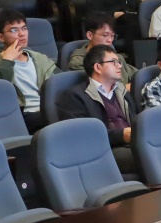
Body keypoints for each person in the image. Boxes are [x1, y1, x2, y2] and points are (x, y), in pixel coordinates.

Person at [56, 44, 137, 172]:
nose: (119, 66)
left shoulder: (122, 92)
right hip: (104, 152)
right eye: (114, 62)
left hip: (133, 144)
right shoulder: (74, 96)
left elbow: (136, 119)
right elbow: (82, 136)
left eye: (119, 62)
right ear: (98, 67)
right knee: (150, 155)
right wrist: (121, 135)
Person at [0, 10, 59, 131]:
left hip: (48, 109)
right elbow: (1, 93)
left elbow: (61, 82)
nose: (22, 34)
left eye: (24, 28)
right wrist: (7, 62)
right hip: (23, 115)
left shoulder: (39, 58)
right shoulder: (1, 62)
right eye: (14, 30)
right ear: (0, 37)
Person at [67, 13, 136, 84]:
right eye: (105, 35)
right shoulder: (78, 62)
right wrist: (129, 88)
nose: (110, 40)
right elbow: (100, 87)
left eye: (112, 36)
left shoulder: (117, 57)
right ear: (90, 35)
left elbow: (137, 75)